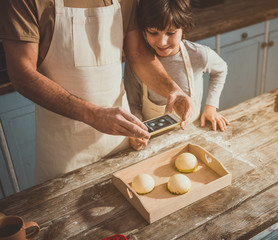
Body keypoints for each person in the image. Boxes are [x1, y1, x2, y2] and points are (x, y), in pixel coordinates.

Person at [0, 0, 192, 183]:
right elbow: (22, 74)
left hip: (122, 140)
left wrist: (172, 89)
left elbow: (138, 53)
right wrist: (93, 114)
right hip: (64, 152)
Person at [124, 0, 229, 150]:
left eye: (171, 33)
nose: (162, 42)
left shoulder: (199, 55)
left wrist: (211, 107)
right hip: (153, 144)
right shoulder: (136, 63)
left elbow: (221, 70)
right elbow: (132, 103)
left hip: (193, 135)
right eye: (153, 33)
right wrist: (136, 131)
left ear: (183, 28)